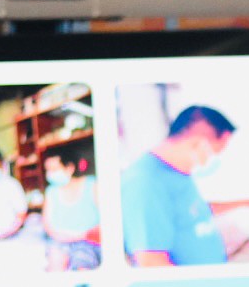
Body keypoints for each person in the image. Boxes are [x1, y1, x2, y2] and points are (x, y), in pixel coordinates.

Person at [120, 105, 237, 267]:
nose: (213, 160)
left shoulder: (179, 172)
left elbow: (195, 211)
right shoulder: (145, 182)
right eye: (215, 153)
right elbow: (151, 262)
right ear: (198, 144)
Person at [40, 153, 102, 270]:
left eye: (54, 169)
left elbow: (108, 217)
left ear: (70, 168)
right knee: (55, 265)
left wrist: (84, 235)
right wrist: (62, 237)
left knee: (82, 265)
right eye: (48, 170)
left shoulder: (92, 185)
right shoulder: (51, 192)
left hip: (89, 242)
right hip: (60, 242)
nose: (50, 174)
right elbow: (47, 224)